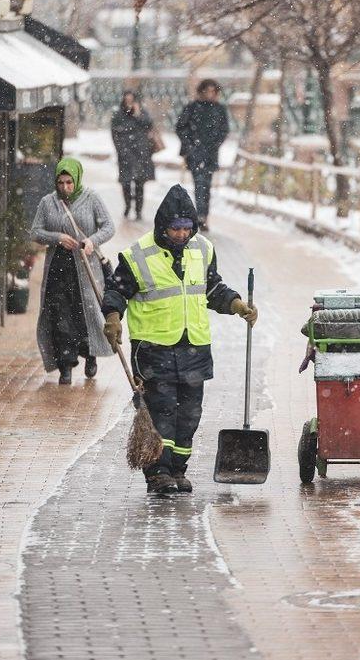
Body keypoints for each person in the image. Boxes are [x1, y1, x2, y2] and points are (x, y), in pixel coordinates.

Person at [101, 183, 257, 496]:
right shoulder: (137, 256)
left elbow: (212, 289)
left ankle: (177, 470)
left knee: (189, 414)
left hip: (194, 347)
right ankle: (157, 472)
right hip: (153, 347)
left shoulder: (203, 250)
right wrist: (113, 317)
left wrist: (237, 304)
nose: (182, 235)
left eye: (187, 229)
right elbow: (116, 290)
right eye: (175, 229)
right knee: (161, 412)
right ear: (163, 227)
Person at [31, 158, 115, 385]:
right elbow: (36, 232)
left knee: (86, 313)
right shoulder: (48, 202)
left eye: (69, 182)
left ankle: (90, 354)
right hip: (58, 268)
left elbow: (109, 227)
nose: (65, 187)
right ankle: (65, 365)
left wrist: (92, 241)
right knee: (60, 316)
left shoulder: (91, 198)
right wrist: (56, 238)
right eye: (61, 182)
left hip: (86, 268)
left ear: (77, 179)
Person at [175, 79, 229, 231]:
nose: (210, 94)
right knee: (199, 184)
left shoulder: (219, 109)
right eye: (207, 91)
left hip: (211, 154)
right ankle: (200, 216)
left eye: (213, 91)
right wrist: (190, 146)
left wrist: (215, 144)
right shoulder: (192, 108)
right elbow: (181, 127)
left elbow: (224, 130)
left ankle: (203, 215)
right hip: (195, 154)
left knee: (207, 187)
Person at [111, 90, 156, 222]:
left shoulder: (142, 113)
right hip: (125, 154)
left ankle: (138, 210)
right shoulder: (119, 115)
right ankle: (127, 205)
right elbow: (114, 133)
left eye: (132, 100)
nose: (129, 103)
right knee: (125, 182)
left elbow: (149, 125)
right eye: (127, 100)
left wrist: (137, 114)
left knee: (140, 183)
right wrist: (120, 149)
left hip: (141, 153)